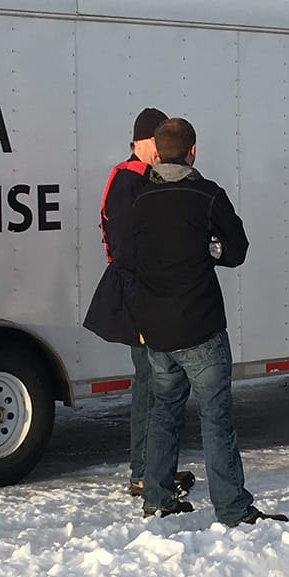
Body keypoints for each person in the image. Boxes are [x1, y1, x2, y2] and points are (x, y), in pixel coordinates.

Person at [115, 117, 286, 525]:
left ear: (157, 151)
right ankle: (231, 507)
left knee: (163, 412)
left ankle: (157, 500)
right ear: (193, 151)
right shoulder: (207, 196)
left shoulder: (140, 201)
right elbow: (237, 250)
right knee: (216, 417)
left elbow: (128, 260)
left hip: (156, 331)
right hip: (200, 327)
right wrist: (208, 250)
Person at [82, 106, 193, 500]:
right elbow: (134, 251)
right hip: (140, 298)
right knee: (150, 385)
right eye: (158, 141)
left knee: (155, 382)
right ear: (143, 141)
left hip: (143, 296)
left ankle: (152, 468)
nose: (163, 150)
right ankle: (144, 472)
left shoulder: (134, 178)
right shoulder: (131, 183)